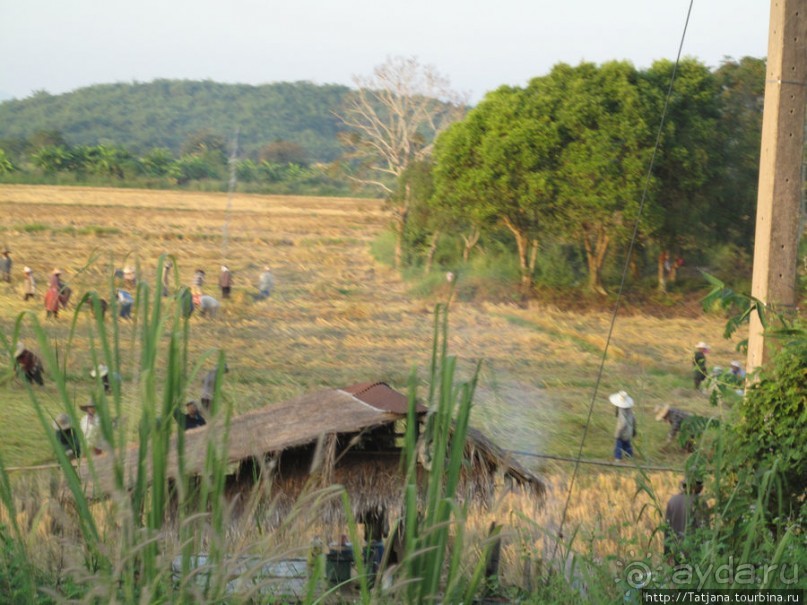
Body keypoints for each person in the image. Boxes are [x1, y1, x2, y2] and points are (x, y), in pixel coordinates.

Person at [664, 478, 707, 559]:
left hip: (676, 551)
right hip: (693, 553)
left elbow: (667, 530)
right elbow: (704, 530)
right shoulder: (699, 503)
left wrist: (667, 553)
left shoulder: (672, 501)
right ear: (695, 487)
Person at [610, 390, 636, 462]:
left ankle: (618, 457)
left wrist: (618, 433)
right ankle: (629, 455)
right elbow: (634, 420)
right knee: (627, 443)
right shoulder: (630, 410)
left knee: (618, 444)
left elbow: (623, 423)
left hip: (622, 432)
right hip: (629, 430)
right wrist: (634, 429)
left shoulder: (622, 411)